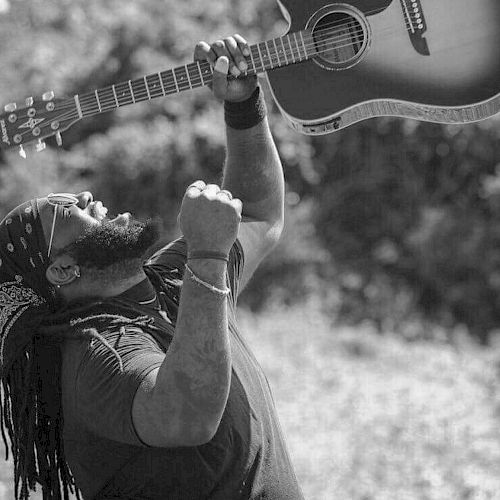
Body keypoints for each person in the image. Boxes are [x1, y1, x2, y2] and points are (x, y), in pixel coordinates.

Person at [0, 35, 304, 500]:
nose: (82, 196)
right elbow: (185, 415)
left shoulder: (172, 282)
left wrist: (243, 108)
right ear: (61, 271)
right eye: (64, 211)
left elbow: (260, 212)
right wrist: (206, 256)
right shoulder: (99, 355)